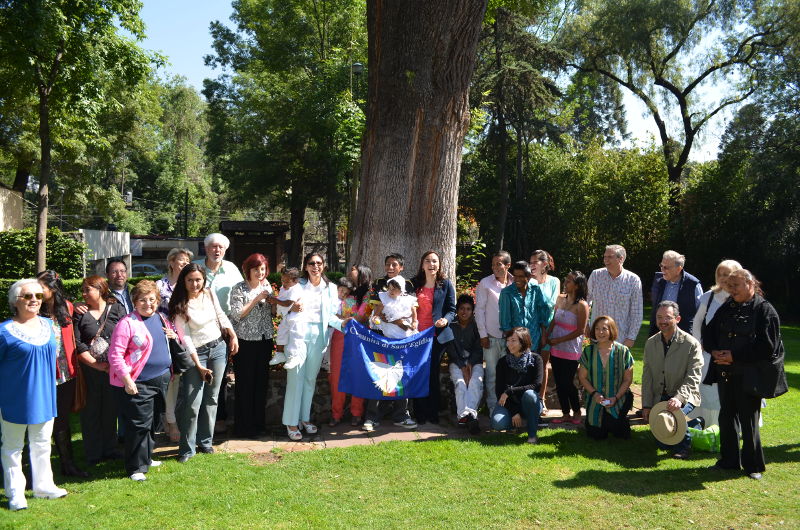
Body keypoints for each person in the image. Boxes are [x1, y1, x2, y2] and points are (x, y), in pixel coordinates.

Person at [704, 269, 783, 480]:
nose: (731, 290)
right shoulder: (727, 307)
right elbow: (708, 332)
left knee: (748, 419)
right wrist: (715, 351)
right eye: (729, 286)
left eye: (735, 285)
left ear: (750, 284)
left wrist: (734, 356)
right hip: (725, 372)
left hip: (750, 374)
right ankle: (729, 461)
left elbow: (767, 347)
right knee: (726, 416)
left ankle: (753, 466)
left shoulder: (765, 310)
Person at [1, 280, 68, 511]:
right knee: (13, 447)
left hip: (45, 394)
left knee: (42, 443)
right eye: (28, 295)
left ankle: (44, 486)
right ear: (15, 301)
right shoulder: (4, 331)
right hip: (14, 398)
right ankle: (16, 493)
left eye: (38, 296)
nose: (34, 300)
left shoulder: (49, 326)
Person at [169, 264, 239, 462]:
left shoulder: (208, 294)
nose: (194, 284)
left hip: (218, 349)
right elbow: (185, 337)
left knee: (212, 398)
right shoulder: (179, 303)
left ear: (203, 280)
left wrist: (232, 334)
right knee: (192, 402)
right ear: (184, 280)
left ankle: (205, 442)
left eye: (198, 279)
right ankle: (186, 449)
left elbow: (220, 315)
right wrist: (198, 365)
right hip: (195, 354)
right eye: (190, 279)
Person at [108, 280, 175, 481]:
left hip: (161, 378)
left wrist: (173, 335)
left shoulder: (161, 318)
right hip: (138, 382)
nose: (148, 304)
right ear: (135, 302)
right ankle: (136, 467)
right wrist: (127, 380)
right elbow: (115, 355)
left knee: (153, 421)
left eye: (152, 299)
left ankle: (146, 456)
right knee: (139, 425)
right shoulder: (126, 323)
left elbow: (171, 340)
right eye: (143, 300)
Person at [281, 253, 348, 441]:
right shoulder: (297, 285)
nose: (315, 266)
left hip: (319, 337)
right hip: (297, 336)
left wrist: (343, 323)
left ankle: (304, 419)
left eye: (319, 263)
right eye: (311, 263)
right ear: (305, 266)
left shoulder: (331, 288)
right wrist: (290, 308)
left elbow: (331, 317)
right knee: (295, 379)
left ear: (324, 266)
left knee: (310, 379)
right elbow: (280, 307)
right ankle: (291, 422)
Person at [36, 270, 88, 478]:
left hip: (66, 374)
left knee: (63, 421)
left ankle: (68, 464)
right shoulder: (33, 309)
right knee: (40, 423)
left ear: (53, 289)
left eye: (41, 289)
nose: (36, 293)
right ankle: (39, 470)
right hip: (43, 374)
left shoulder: (67, 308)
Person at [73, 275, 126, 465]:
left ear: (100, 289)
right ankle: (93, 453)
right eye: (83, 290)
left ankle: (110, 449)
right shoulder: (80, 312)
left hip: (113, 369)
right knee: (91, 411)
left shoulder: (117, 309)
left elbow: (124, 335)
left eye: (88, 289)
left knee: (111, 409)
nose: (84, 293)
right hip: (89, 370)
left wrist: (114, 364)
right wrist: (96, 365)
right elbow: (77, 343)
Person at [194, 233, 244, 433]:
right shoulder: (196, 267)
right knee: (198, 373)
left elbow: (242, 291)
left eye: (220, 247)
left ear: (225, 250)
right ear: (206, 249)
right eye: (213, 246)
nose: (216, 250)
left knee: (221, 376)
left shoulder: (231, 269)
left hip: (225, 327)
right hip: (200, 327)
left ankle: (219, 418)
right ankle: (196, 419)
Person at [641, 301, 704, 459]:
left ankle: (685, 446)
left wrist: (679, 398)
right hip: (659, 396)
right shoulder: (650, 343)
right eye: (659, 317)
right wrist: (647, 405)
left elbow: (693, 377)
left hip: (685, 396)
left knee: (675, 415)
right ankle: (694, 424)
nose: (662, 321)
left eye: (668, 317)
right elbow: (647, 377)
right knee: (662, 442)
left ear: (678, 319)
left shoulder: (692, 344)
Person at [363, 254, 417, 431]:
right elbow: (375, 310)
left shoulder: (408, 284)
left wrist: (401, 322)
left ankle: (401, 415)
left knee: (402, 374)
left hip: (402, 338)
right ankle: (372, 417)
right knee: (378, 374)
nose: (390, 267)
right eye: (387, 264)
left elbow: (411, 310)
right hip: (380, 337)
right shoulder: (378, 282)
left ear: (401, 267)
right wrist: (380, 318)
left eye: (394, 264)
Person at [689, 259, 743, 427]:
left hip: (734, 356)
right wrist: (700, 344)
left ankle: (734, 428)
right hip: (708, 354)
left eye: (726, 274)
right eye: (720, 274)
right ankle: (709, 425)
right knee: (709, 391)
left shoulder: (741, 297)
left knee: (734, 392)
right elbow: (697, 322)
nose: (723, 278)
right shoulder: (708, 296)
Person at [229, 253, 274, 439]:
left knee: (261, 384)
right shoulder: (238, 289)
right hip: (245, 342)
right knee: (245, 385)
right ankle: (243, 427)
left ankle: (259, 425)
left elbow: (272, 312)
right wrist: (256, 299)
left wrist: (275, 303)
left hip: (264, 340)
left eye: (262, 269)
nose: (260, 273)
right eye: (256, 269)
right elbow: (237, 314)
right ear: (248, 270)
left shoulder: (268, 286)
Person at [411, 250, 456, 425]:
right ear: (422, 265)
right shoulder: (414, 284)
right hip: (416, 337)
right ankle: (419, 413)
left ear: (439, 264)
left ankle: (433, 412)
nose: (432, 264)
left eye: (435, 261)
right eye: (428, 261)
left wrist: (446, 319)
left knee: (432, 374)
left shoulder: (445, 284)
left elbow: (452, 309)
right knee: (418, 374)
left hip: (437, 337)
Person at [157, 247, 194, 442]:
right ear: (171, 262)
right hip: (166, 338)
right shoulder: (160, 285)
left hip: (188, 336)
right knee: (172, 380)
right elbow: (152, 311)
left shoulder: (191, 284)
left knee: (184, 380)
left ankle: (180, 420)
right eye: (181, 260)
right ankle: (170, 422)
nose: (184, 264)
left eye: (187, 261)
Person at [578, 316, 634, 440]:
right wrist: (594, 394)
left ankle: (619, 421)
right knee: (596, 435)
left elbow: (628, 380)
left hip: (618, 399)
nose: (600, 332)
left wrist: (616, 397)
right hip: (595, 399)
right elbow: (582, 377)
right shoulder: (588, 351)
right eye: (597, 329)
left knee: (620, 434)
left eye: (604, 329)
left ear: (612, 330)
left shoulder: (623, 351)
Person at [546, 271, 589, 425]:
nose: (566, 282)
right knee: (559, 382)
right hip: (555, 349)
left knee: (567, 383)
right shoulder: (560, 298)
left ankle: (576, 410)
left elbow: (580, 331)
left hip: (571, 351)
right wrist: (548, 335)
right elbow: (554, 321)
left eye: (569, 280)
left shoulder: (582, 305)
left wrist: (559, 339)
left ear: (577, 285)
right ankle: (565, 413)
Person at [490, 327, 544, 444]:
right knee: (498, 424)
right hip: (509, 403)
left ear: (523, 342)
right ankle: (521, 421)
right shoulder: (503, 362)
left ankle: (532, 434)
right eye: (508, 340)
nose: (509, 344)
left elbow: (536, 385)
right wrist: (514, 411)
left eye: (513, 340)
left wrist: (510, 391)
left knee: (530, 394)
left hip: (529, 403)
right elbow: (500, 391)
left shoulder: (536, 359)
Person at [475, 250, 512, 414]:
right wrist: (483, 335)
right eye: (493, 264)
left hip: (512, 339)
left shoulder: (515, 282)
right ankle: (493, 409)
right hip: (491, 338)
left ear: (508, 265)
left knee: (510, 374)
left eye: (499, 264)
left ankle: (510, 408)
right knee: (491, 375)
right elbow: (480, 310)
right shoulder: (485, 283)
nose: (495, 267)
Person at [328, 274, 367, 427]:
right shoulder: (335, 294)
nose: (352, 273)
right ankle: (336, 414)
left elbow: (363, 315)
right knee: (337, 375)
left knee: (357, 374)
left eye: (356, 271)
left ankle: (356, 412)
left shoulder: (367, 295)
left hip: (358, 337)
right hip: (340, 335)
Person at [587, 245, 643, 348]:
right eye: (605, 257)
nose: (606, 260)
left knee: (617, 365)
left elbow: (637, 312)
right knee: (595, 364)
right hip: (597, 337)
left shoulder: (633, 280)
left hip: (620, 339)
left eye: (610, 257)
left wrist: (631, 337)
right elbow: (585, 301)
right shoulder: (596, 275)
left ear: (621, 259)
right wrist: (586, 325)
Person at [447, 294, 483, 434]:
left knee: (475, 382)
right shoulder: (451, 326)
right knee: (460, 383)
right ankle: (466, 417)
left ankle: (468, 415)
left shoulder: (476, 325)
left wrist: (471, 364)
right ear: (457, 310)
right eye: (462, 308)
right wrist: (462, 366)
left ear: (472, 311)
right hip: (457, 361)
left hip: (474, 361)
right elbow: (451, 349)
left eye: (468, 309)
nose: (464, 312)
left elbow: (478, 347)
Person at [530, 250, 560, 415]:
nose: (532, 265)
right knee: (530, 364)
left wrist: (546, 332)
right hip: (532, 329)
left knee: (543, 364)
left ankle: (541, 401)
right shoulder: (529, 281)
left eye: (535, 262)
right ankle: (529, 400)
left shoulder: (554, 281)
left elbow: (552, 305)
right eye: (531, 262)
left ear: (545, 264)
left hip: (549, 329)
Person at [499, 261, 551, 351]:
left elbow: (543, 314)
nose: (517, 279)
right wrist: (512, 344)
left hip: (534, 341)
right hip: (515, 346)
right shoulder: (506, 293)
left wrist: (543, 335)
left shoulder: (536, 290)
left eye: (521, 276)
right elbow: (505, 322)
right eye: (515, 276)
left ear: (529, 277)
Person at [648, 250, 703, 336]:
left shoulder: (693, 284)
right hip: (658, 334)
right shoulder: (658, 280)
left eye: (666, 267)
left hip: (683, 336)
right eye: (661, 266)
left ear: (678, 269)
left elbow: (701, 313)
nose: (662, 270)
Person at [269, 267, 303, 367]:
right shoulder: (284, 288)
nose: (283, 283)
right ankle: (279, 354)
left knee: (294, 336)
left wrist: (276, 301)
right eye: (282, 280)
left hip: (296, 318)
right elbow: (281, 301)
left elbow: (288, 303)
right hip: (286, 316)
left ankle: (294, 356)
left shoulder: (296, 289)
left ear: (295, 281)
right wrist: (274, 302)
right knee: (281, 333)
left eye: (287, 281)